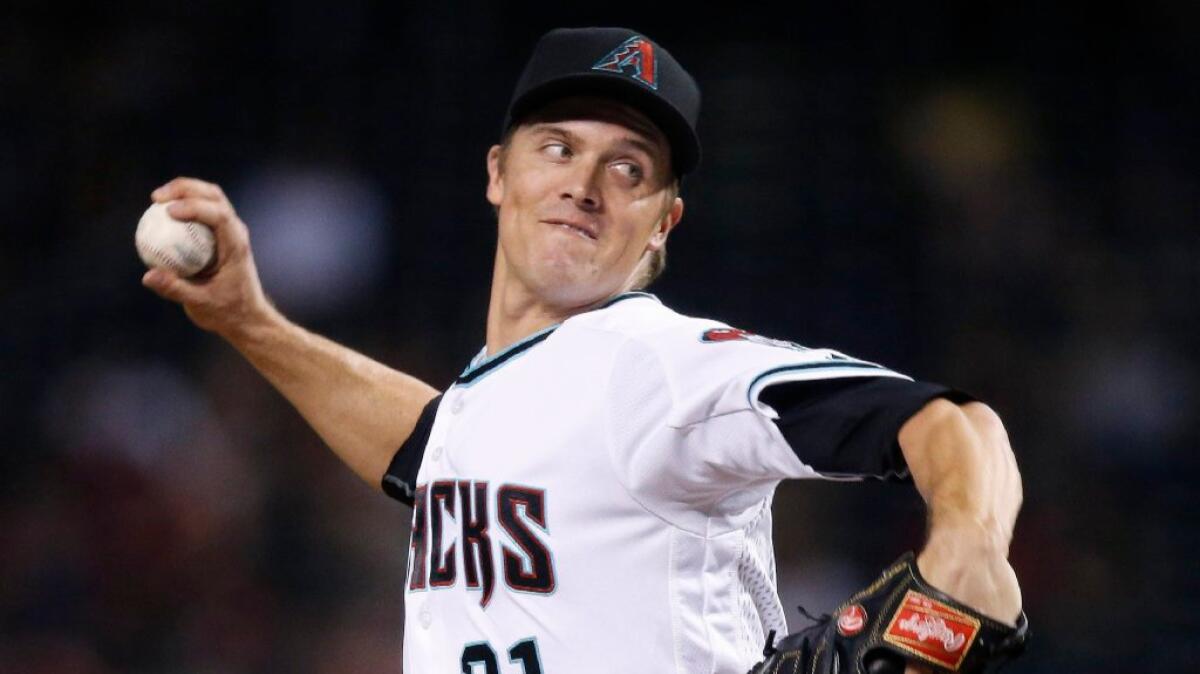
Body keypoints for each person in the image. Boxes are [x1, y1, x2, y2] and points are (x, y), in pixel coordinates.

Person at [142, 26, 1024, 674]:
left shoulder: (663, 364)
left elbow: (953, 424)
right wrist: (248, 321)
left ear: (663, 222)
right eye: (558, 147)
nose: (585, 185)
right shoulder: (498, 400)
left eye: (629, 168)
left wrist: (969, 545)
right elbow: (435, 445)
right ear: (498, 173)